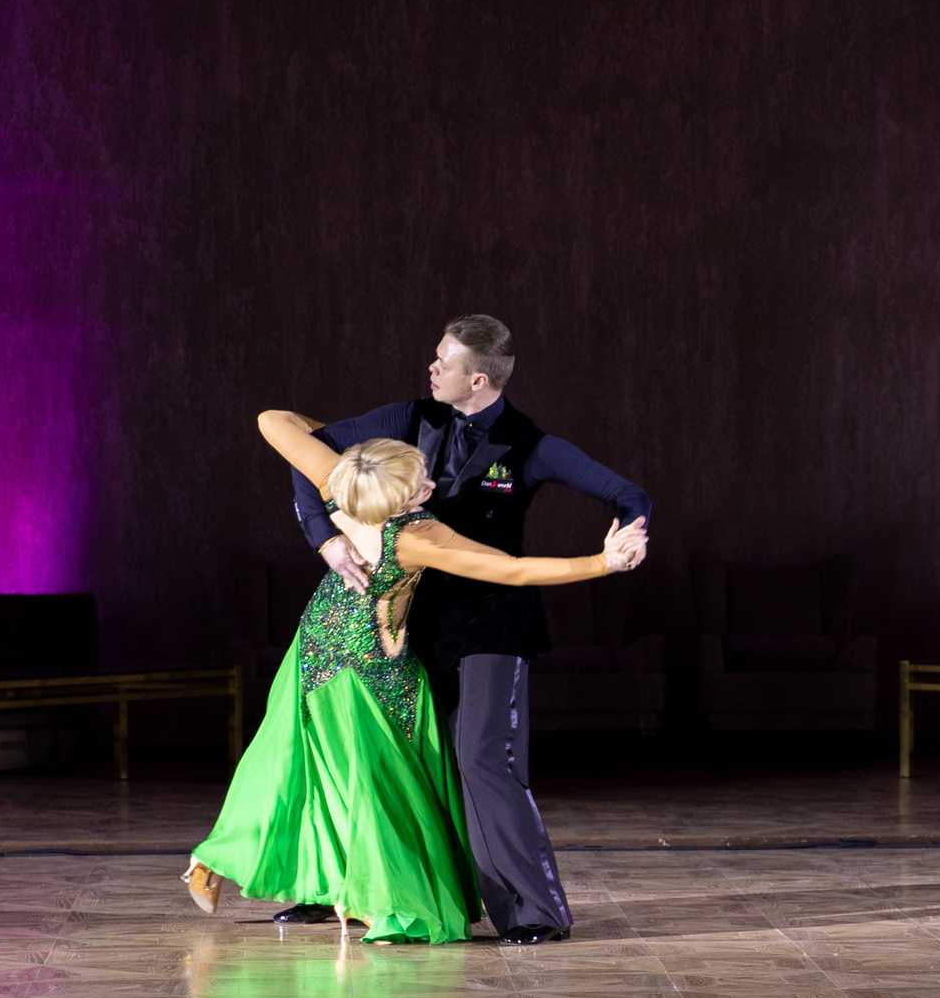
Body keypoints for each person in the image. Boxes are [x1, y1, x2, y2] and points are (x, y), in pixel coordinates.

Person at [183, 422, 643, 944]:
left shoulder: (342, 487)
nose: (430, 485)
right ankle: (383, 896)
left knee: (296, 765)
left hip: (313, 651)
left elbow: (272, 420)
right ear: (402, 499)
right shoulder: (415, 537)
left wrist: (325, 529)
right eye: (420, 483)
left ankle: (217, 860)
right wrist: (603, 562)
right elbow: (510, 570)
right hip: (371, 672)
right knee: (380, 785)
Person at [285, 316, 651, 945]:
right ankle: (358, 893)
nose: (431, 369)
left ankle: (534, 910)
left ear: (477, 378)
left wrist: (628, 534)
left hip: (492, 622)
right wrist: (324, 538)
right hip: (411, 625)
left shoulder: (529, 445)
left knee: (484, 759)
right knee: (396, 760)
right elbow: (303, 443)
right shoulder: (409, 418)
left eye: (443, 362)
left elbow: (627, 493)